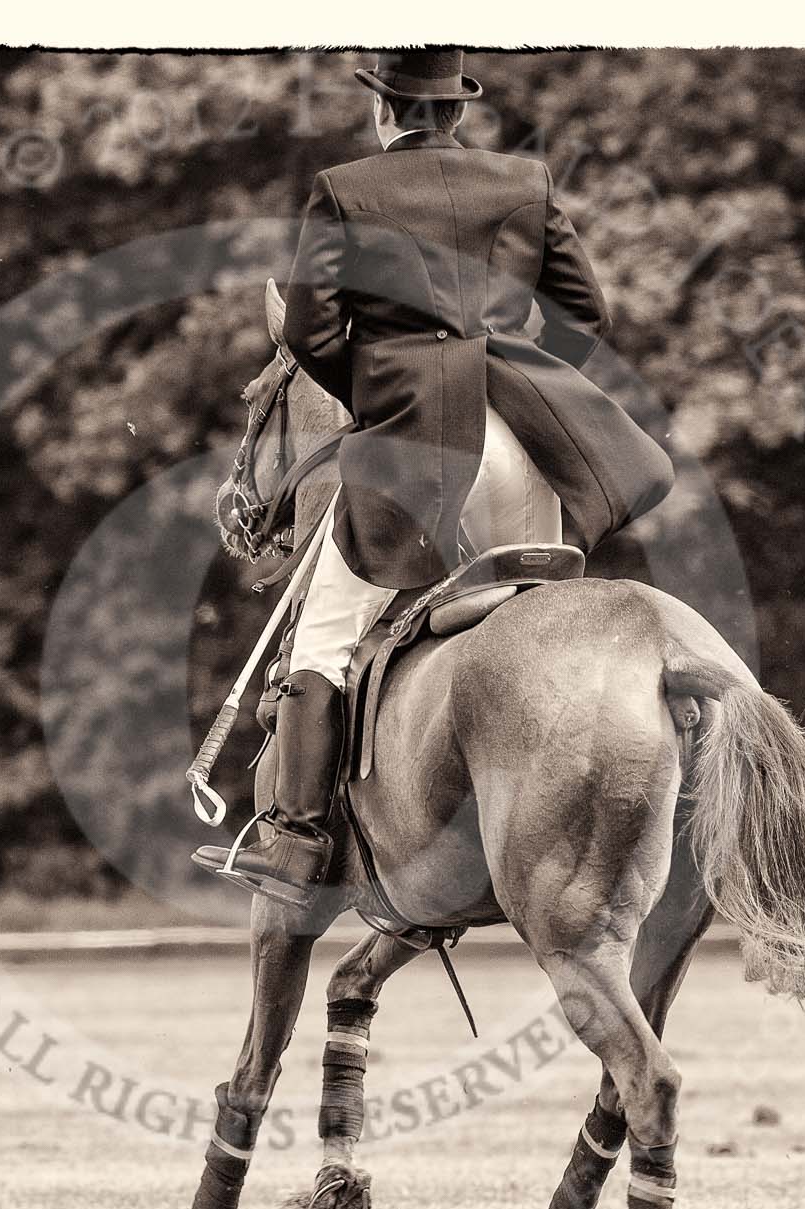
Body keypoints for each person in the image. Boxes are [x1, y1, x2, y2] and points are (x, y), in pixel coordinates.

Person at [194, 49, 675, 904]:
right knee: (537, 626)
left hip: (417, 448)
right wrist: (513, 377)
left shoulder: (345, 189)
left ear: (385, 109)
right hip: (525, 446)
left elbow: (308, 334)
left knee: (330, 638)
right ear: (457, 112)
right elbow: (586, 315)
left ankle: (298, 838)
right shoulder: (523, 181)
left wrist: (382, 398)